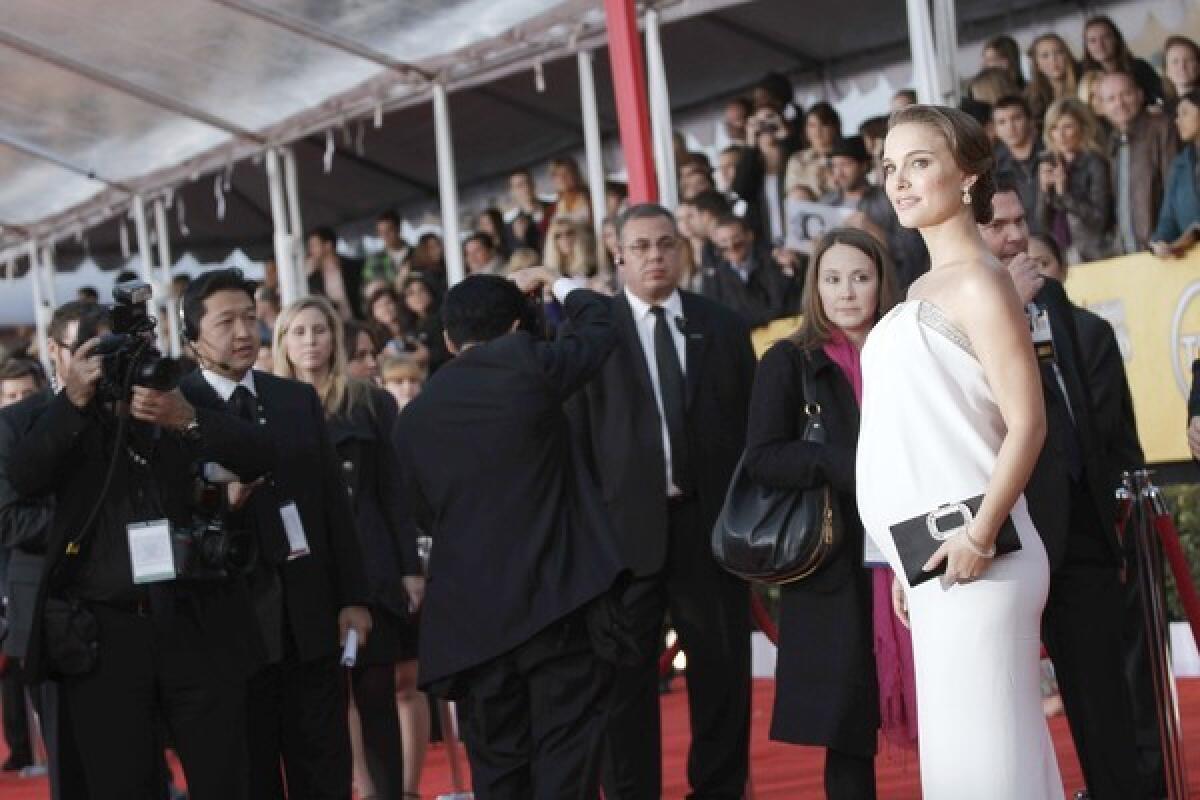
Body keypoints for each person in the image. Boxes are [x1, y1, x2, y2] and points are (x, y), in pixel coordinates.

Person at [859, 104, 1061, 798]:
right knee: (974, 768)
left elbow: (1028, 423)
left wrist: (975, 536)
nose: (900, 181)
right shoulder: (921, 288)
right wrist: (905, 559)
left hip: (983, 555)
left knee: (987, 770)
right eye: (890, 167)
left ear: (969, 174)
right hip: (939, 560)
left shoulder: (981, 280)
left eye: (919, 162)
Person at [10, 289, 273, 799]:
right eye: (100, 352)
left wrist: (185, 419)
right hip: (104, 633)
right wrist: (75, 402)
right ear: (66, 357)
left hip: (197, 617)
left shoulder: (176, 396)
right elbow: (24, 477)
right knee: (122, 782)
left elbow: (260, 453)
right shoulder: (52, 417)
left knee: (224, 778)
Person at [394, 268, 627, 798]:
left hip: (473, 625)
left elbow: (422, 514)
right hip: (556, 606)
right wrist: (558, 282)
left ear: (449, 341)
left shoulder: (414, 418)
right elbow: (601, 323)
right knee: (565, 758)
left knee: (497, 771)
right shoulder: (527, 364)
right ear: (520, 326)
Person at [567, 203, 755, 799]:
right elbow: (576, 443)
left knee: (723, 677)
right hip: (623, 542)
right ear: (618, 253)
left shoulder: (721, 325)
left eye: (666, 244)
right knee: (623, 690)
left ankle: (720, 791)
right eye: (642, 246)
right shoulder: (591, 334)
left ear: (683, 250)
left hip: (710, 529)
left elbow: (750, 427)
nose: (655, 256)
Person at [979, 173, 1146, 800]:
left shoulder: (1056, 305)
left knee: (1105, 702)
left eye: (1021, 220)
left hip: (1079, 531)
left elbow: (1086, 421)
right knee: (1010, 709)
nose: (1017, 234)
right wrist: (1009, 311)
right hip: (1006, 535)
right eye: (999, 225)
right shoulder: (950, 309)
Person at [177, 269, 372, 800]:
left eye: (248, 317)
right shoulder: (174, 408)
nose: (243, 332)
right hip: (228, 632)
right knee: (251, 772)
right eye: (225, 321)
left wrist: (353, 596)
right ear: (192, 335)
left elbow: (333, 504)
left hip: (308, 619)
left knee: (324, 766)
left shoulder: (293, 399)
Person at [746, 228, 908, 800]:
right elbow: (764, 458)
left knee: (941, 702)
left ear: (882, 281)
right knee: (847, 726)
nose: (846, 292)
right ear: (814, 285)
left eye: (860, 277)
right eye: (832, 278)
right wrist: (848, 465)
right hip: (834, 558)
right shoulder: (790, 361)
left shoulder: (908, 347)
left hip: (910, 541)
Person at [274, 296, 423, 800]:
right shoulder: (266, 405)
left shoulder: (369, 402)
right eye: (299, 332)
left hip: (373, 564)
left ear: (335, 339)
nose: (311, 341)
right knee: (320, 706)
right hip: (305, 569)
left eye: (319, 331)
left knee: (377, 693)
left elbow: (393, 491)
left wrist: (409, 568)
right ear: (283, 343)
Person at [0, 303, 99, 800]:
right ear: (57, 352)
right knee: (67, 752)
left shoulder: (136, 407)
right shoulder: (16, 426)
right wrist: (85, 527)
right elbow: (9, 520)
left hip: (126, 608)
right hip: (45, 609)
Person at [823, 135, 930, 289]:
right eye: (834, 166)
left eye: (846, 165)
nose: (838, 173)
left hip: (885, 286)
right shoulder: (825, 203)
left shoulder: (889, 200)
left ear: (864, 166)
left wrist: (873, 229)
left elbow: (912, 253)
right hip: (836, 286)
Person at [1099, 72, 1181, 256]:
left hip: (1163, 246)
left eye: (1126, 94)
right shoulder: (1110, 141)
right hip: (1127, 250)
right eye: (1111, 99)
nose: (1119, 103)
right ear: (1103, 106)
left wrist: (1166, 235)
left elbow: (1174, 187)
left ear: (1140, 94)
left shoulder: (1162, 127)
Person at [1038, 98, 1114, 263]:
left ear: (1083, 127)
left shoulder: (1095, 162)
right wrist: (1044, 190)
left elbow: (1098, 220)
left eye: (1068, 127)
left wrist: (1064, 194)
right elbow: (1040, 225)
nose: (1061, 135)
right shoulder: (1050, 162)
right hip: (1060, 254)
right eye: (1054, 128)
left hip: (1094, 253)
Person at [704, 215, 791, 328]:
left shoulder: (773, 263)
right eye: (723, 241)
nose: (731, 245)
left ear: (750, 236)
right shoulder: (717, 278)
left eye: (736, 238)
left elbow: (781, 304)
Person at [732, 108, 796, 247]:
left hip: (796, 241)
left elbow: (798, 169)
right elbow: (741, 189)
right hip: (765, 245)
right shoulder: (752, 166)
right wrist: (750, 142)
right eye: (759, 122)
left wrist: (785, 136)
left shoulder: (793, 157)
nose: (765, 126)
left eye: (770, 118)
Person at [1151, 89, 1200, 258]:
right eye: (1177, 115)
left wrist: (1195, 232)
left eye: (1185, 113)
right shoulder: (1180, 165)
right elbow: (1168, 217)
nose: (1178, 121)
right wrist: (1161, 241)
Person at [1081, 16, 1164, 108]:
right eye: (1092, 41)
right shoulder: (1086, 80)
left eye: (1105, 37)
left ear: (1116, 39)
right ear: (1086, 47)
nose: (1099, 45)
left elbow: (1160, 99)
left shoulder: (1139, 67)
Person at [993, 95, 1046, 233]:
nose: (1010, 127)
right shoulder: (994, 166)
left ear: (1030, 120)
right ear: (995, 129)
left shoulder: (1050, 153)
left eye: (1016, 118)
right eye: (1002, 122)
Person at [786, 102, 843, 199]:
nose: (817, 131)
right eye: (812, 125)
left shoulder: (846, 155)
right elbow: (793, 192)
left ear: (835, 127)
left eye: (823, 124)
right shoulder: (798, 159)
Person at [307, 227, 363, 320]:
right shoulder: (313, 276)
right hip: (334, 325)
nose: (311, 250)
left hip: (359, 321)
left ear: (328, 245)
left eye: (314, 245)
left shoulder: (353, 267)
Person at [1027, 33, 1081, 121]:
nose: (1053, 60)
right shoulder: (1032, 98)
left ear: (1067, 56)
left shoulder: (1085, 84)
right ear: (1037, 65)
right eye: (1045, 56)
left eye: (1059, 52)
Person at [363, 210, 412, 286]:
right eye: (381, 232)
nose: (385, 236)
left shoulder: (416, 253)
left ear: (398, 229)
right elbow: (367, 285)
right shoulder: (374, 260)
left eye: (389, 230)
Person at [1163, 36, 1200, 110]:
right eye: (1175, 62)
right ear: (1167, 71)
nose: (1182, 66)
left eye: (1189, 60)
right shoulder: (1165, 110)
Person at [550, 157, 591, 223]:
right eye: (557, 175)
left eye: (566, 173)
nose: (562, 178)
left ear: (575, 174)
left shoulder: (590, 198)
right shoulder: (553, 208)